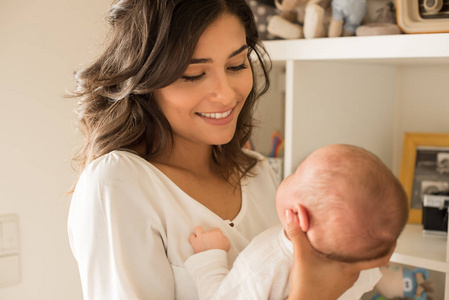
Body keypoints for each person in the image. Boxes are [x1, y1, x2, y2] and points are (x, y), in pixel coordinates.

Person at [66, 0, 392, 299]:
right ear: (145, 79)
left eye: (236, 65)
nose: (225, 95)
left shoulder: (259, 173)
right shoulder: (117, 184)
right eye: (193, 74)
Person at [186, 144, 409, 300]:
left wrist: (211, 257)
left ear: (297, 215)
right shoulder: (360, 270)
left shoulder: (265, 265)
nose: (286, 177)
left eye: (295, 173)